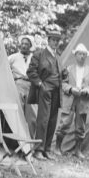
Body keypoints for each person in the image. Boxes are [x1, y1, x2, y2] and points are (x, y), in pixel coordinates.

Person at [27, 27, 63, 161]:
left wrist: (63, 75)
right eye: (53, 40)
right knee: (43, 120)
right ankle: (38, 150)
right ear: (48, 40)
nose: (55, 43)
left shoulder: (58, 57)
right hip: (44, 90)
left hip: (56, 92)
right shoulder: (39, 54)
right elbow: (31, 72)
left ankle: (47, 149)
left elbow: (60, 74)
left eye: (57, 41)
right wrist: (41, 85)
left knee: (53, 120)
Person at [54, 43, 89, 159]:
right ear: (75, 55)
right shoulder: (68, 69)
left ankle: (78, 150)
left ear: (86, 56)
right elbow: (63, 83)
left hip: (83, 100)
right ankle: (57, 147)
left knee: (80, 126)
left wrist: (87, 90)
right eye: (80, 54)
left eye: (84, 54)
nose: (82, 56)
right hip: (70, 99)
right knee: (64, 123)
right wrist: (71, 89)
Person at [7, 34, 36, 136]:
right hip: (18, 84)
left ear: (30, 46)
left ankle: (31, 142)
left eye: (26, 44)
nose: (24, 46)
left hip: (32, 86)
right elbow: (3, 67)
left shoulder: (34, 58)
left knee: (32, 114)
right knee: (18, 112)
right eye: (22, 43)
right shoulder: (13, 57)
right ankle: (18, 142)